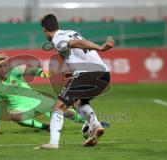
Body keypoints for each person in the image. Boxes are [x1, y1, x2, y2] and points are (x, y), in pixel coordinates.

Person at [35, 14, 114, 149]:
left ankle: (53, 143)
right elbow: (82, 51)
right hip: (104, 75)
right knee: (78, 103)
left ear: (44, 30)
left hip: (89, 74)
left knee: (58, 107)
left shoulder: (58, 39)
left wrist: (101, 48)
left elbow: (79, 44)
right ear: (57, 25)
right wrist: (72, 73)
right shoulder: (71, 32)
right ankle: (96, 126)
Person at [0, 54, 85, 134]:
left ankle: (89, 122)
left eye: (5, 65)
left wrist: (47, 75)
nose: (4, 69)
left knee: (64, 112)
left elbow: (33, 71)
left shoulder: (15, 71)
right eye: (0, 66)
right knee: (15, 116)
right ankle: (45, 127)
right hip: (20, 107)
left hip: (36, 99)